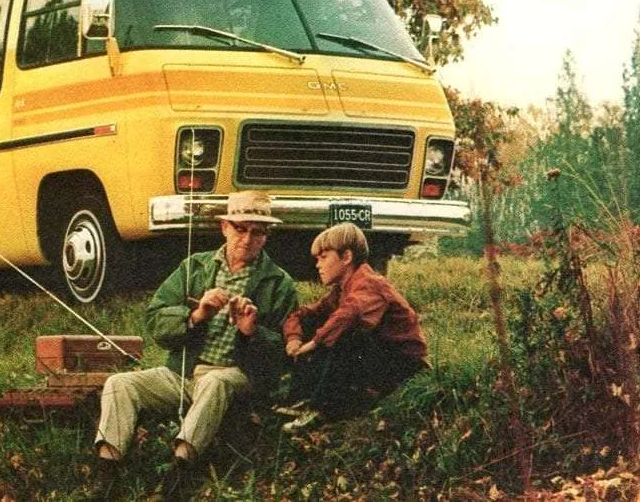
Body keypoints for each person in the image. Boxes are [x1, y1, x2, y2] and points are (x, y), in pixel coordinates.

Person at [86, 191, 298, 500]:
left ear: (267, 236)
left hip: (237, 376)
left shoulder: (279, 283)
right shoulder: (195, 266)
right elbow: (155, 319)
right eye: (241, 228)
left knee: (215, 381)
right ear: (224, 227)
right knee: (120, 383)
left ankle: (177, 474)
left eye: (258, 231)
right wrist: (196, 315)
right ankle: (107, 475)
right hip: (184, 373)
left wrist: (251, 332)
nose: (248, 238)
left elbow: (280, 360)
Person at [278, 222, 428, 432]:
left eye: (323, 257)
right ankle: (301, 398)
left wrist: (313, 343)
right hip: (376, 362)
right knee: (317, 322)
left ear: (346, 257)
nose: (317, 265)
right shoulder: (341, 289)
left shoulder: (370, 283)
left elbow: (350, 313)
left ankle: (321, 409)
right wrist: (294, 338)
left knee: (347, 334)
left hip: (403, 366)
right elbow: (303, 314)